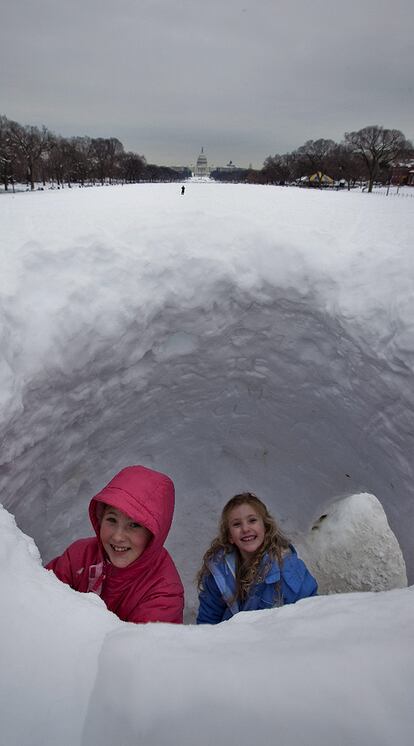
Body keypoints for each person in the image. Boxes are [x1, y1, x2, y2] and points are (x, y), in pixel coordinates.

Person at [47, 465, 184, 624]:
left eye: (134, 525)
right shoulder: (80, 555)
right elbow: (40, 597)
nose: (118, 537)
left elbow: (140, 647)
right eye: (112, 520)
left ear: (154, 533)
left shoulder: (164, 593)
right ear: (100, 518)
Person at [196, 492, 317, 624]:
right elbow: (208, 621)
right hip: (231, 640)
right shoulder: (220, 571)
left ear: (265, 526)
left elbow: (310, 610)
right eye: (237, 524)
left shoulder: (286, 567)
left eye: (252, 520)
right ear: (230, 536)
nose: (245, 529)